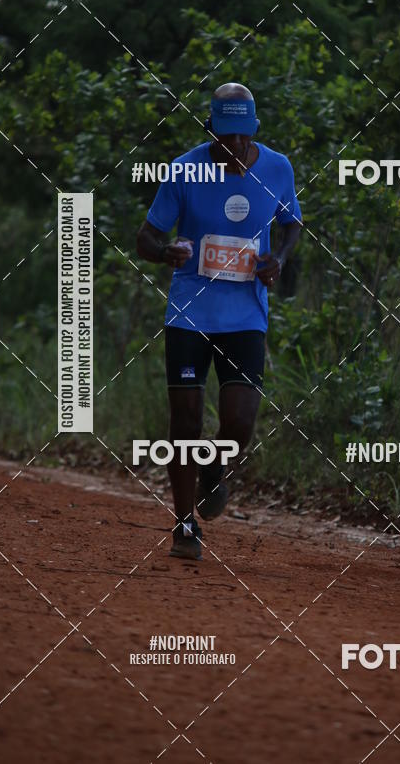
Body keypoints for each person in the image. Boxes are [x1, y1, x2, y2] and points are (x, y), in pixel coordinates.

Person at [136, 82, 302, 560]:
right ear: (211, 130)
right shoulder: (184, 170)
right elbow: (145, 236)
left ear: (254, 130)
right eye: (226, 137)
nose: (236, 146)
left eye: (243, 136)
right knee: (185, 420)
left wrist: (280, 259)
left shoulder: (277, 167)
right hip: (189, 313)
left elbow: (292, 222)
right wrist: (165, 252)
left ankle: (214, 467)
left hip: (246, 313)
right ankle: (185, 525)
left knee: (241, 423)